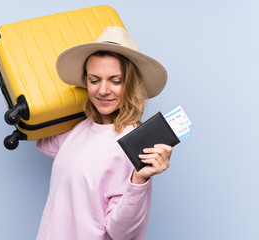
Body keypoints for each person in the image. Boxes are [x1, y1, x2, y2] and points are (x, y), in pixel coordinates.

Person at [36, 26, 172, 240]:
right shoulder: (81, 129)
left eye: (115, 81)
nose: (103, 90)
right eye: (94, 80)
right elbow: (44, 141)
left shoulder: (133, 142)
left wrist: (139, 180)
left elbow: (121, 232)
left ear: (131, 84)